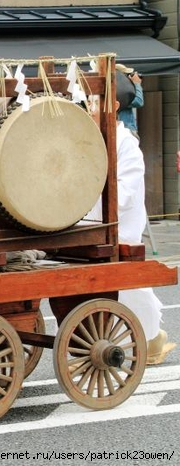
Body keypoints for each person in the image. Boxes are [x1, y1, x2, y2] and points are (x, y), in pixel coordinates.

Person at [87, 72, 175, 365]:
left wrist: (86, 210)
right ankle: (143, 338)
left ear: (111, 105)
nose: (86, 106)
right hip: (89, 224)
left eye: (92, 100)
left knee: (131, 286)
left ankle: (150, 339)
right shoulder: (87, 137)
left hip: (118, 227)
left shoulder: (126, 143)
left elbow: (123, 196)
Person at [115, 64, 144, 139]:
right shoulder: (121, 92)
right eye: (126, 75)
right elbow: (138, 101)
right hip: (125, 129)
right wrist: (137, 84)